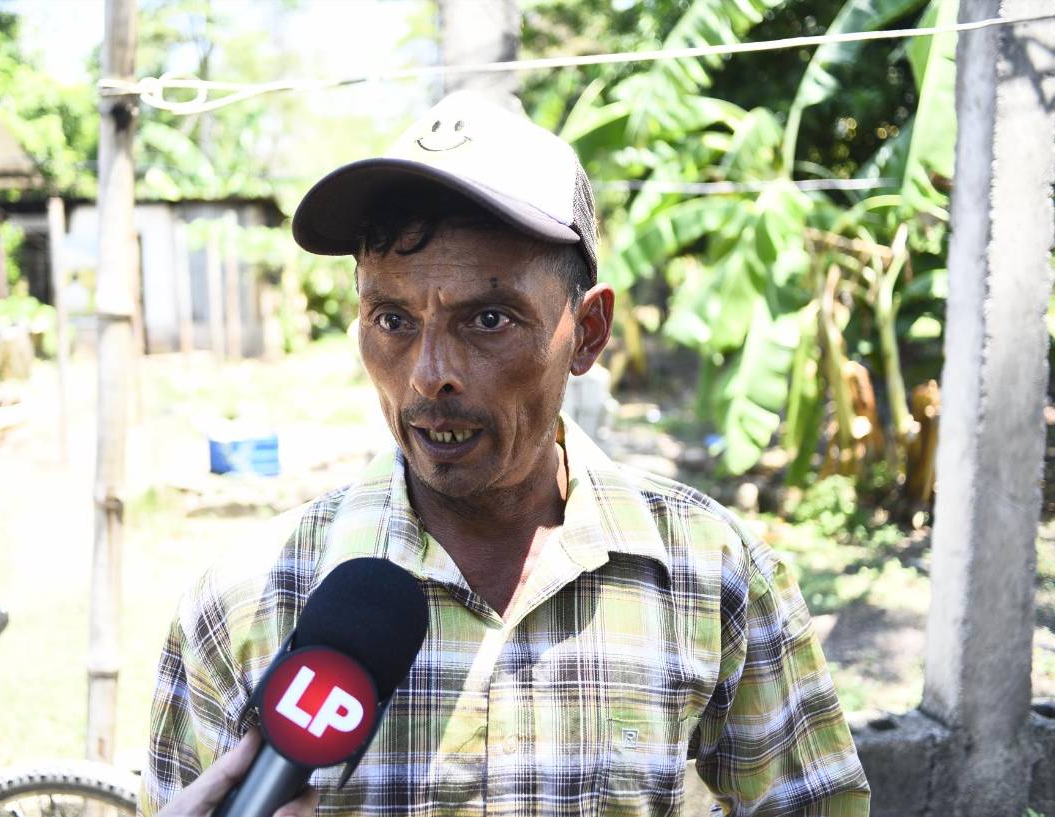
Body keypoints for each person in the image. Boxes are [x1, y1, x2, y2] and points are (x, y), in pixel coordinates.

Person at [142, 91, 870, 817]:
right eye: (392, 318)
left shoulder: (710, 575)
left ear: (586, 332)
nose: (429, 374)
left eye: (488, 318)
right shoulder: (241, 603)